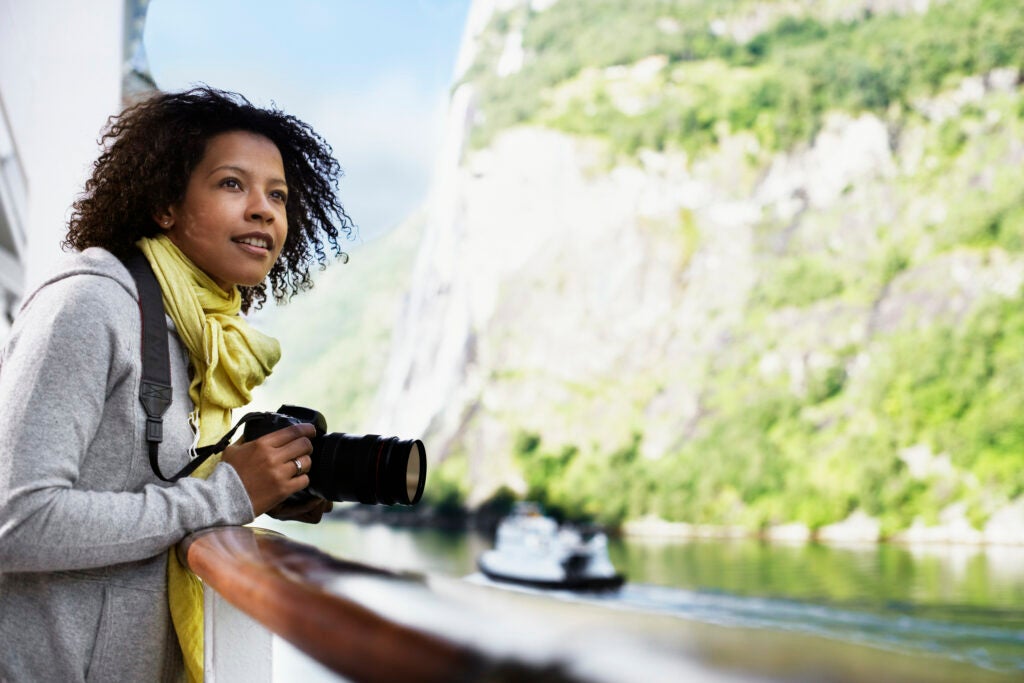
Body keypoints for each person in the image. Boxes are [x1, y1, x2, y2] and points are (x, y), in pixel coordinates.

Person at [0, 87, 354, 682]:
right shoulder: (88, 306)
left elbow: (139, 485)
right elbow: (18, 521)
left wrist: (264, 486)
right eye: (232, 184)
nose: (264, 209)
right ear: (165, 204)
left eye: (279, 195)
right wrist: (226, 495)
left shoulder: (197, 337)